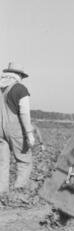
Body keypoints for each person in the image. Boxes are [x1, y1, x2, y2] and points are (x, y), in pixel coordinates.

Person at [0, 63, 36, 194]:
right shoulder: (20, 89)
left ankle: (1, 192)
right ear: (18, 76)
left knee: (2, 162)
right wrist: (29, 134)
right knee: (24, 160)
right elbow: (24, 113)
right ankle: (18, 191)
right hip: (15, 130)